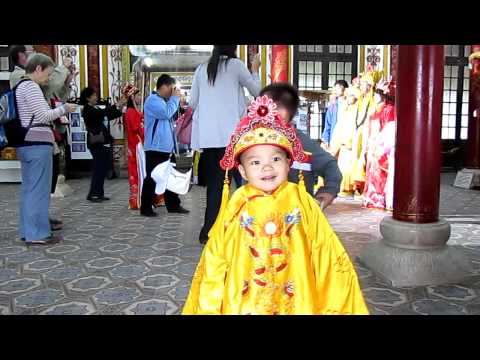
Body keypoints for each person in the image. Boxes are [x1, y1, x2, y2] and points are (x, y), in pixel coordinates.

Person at [182, 96, 369, 315]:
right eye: (255, 162)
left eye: (276, 159)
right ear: (241, 171)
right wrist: (209, 305)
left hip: (297, 295)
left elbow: (326, 253)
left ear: (289, 163)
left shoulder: (301, 200)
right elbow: (216, 256)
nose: (267, 167)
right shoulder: (238, 203)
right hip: (245, 299)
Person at [190, 45, 261, 244]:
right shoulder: (236, 66)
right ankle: (250, 228)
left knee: (215, 186)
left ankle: (209, 231)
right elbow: (258, 91)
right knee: (245, 182)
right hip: (233, 138)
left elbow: (193, 102)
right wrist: (255, 69)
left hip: (209, 139)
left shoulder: (202, 69)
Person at [9, 44, 75, 231]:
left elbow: (54, 92)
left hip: (32, 143)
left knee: (33, 190)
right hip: (35, 144)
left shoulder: (28, 85)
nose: (49, 78)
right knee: (37, 190)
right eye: (48, 73)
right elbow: (43, 116)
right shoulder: (28, 85)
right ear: (37, 68)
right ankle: (36, 232)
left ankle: (30, 230)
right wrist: (64, 109)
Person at [259, 83, 342, 209]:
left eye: (276, 107)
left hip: (295, 216)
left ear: (289, 113)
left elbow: (330, 165)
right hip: (258, 215)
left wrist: (327, 193)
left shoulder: (301, 143)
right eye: (262, 106)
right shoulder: (251, 140)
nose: (268, 112)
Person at [140, 74, 189, 217]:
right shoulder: (152, 100)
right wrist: (174, 99)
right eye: (171, 88)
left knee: (170, 177)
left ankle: (173, 205)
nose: (172, 91)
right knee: (152, 178)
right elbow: (166, 114)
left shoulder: (164, 101)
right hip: (155, 148)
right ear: (164, 86)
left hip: (166, 148)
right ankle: (146, 207)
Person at [80, 87, 125, 202]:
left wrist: (119, 107)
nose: (96, 97)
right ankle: (94, 194)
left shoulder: (95, 108)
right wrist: (116, 104)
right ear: (88, 98)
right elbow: (103, 113)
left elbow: (109, 115)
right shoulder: (88, 109)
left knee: (102, 168)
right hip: (96, 142)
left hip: (102, 141)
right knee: (98, 168)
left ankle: (98, 193)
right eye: (94, 95)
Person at [362, 79, 396, 210]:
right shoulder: (375, 110)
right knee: (372, 173)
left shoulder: (389, 110)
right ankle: (371, 197)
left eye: (378, 94)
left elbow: (389, 131)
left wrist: (381, 147)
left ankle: (380, 198)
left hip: (382, 146)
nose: (375, 97)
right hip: (373, 144)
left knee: (380, 174)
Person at [329, 87, 361, 197]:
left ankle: (350, 188)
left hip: (351, 142)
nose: (349, 98)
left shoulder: (358, 110)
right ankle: (342, 187)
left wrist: (350, 141)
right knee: (341, 165)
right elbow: (339, 126)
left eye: (352, 96)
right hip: (342, 141)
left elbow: (355, 128)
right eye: (348, 96)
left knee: (349, 166)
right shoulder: (345, 110)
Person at [321, 80, 348, 149]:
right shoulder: (333, 105)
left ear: (345, 89)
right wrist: (326, 139)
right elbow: (328, 123)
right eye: (335, 88)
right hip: (334, 136)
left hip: (347, 138)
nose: (336, 90)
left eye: (338, 88)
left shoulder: (350, 104)